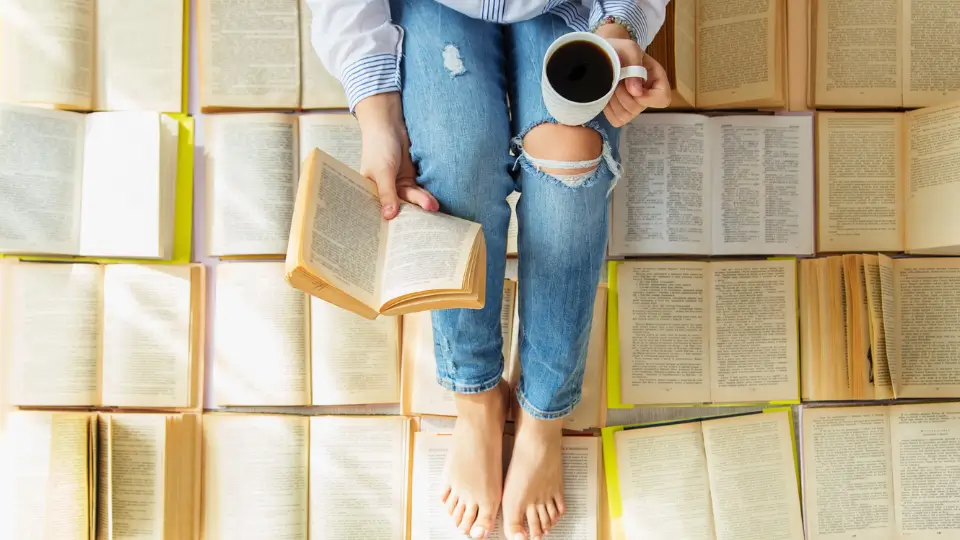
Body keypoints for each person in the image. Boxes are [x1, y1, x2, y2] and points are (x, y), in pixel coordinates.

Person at [309, 1, 670, 538]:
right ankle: (476, 397)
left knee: (571, 162)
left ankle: (545, 408)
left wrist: (622, 25)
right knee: (455, 172)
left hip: (572, 8)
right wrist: (378, 117)